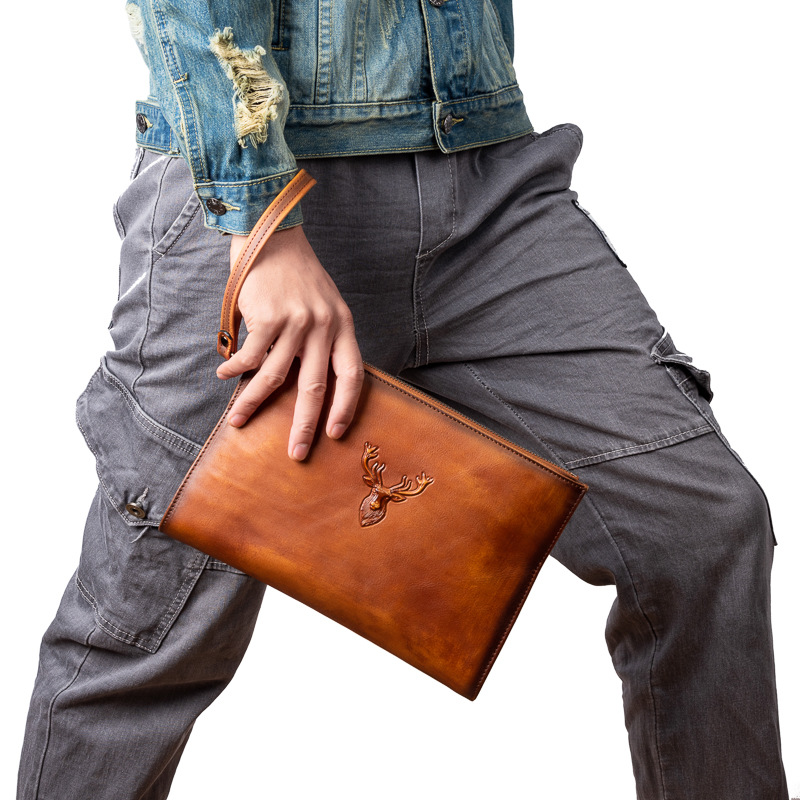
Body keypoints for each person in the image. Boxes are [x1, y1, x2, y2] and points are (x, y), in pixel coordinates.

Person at [17, 1, 789, 798]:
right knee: (147, 627)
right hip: (261, 195)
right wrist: (261, 221)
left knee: (698, 525)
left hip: (490, 183)